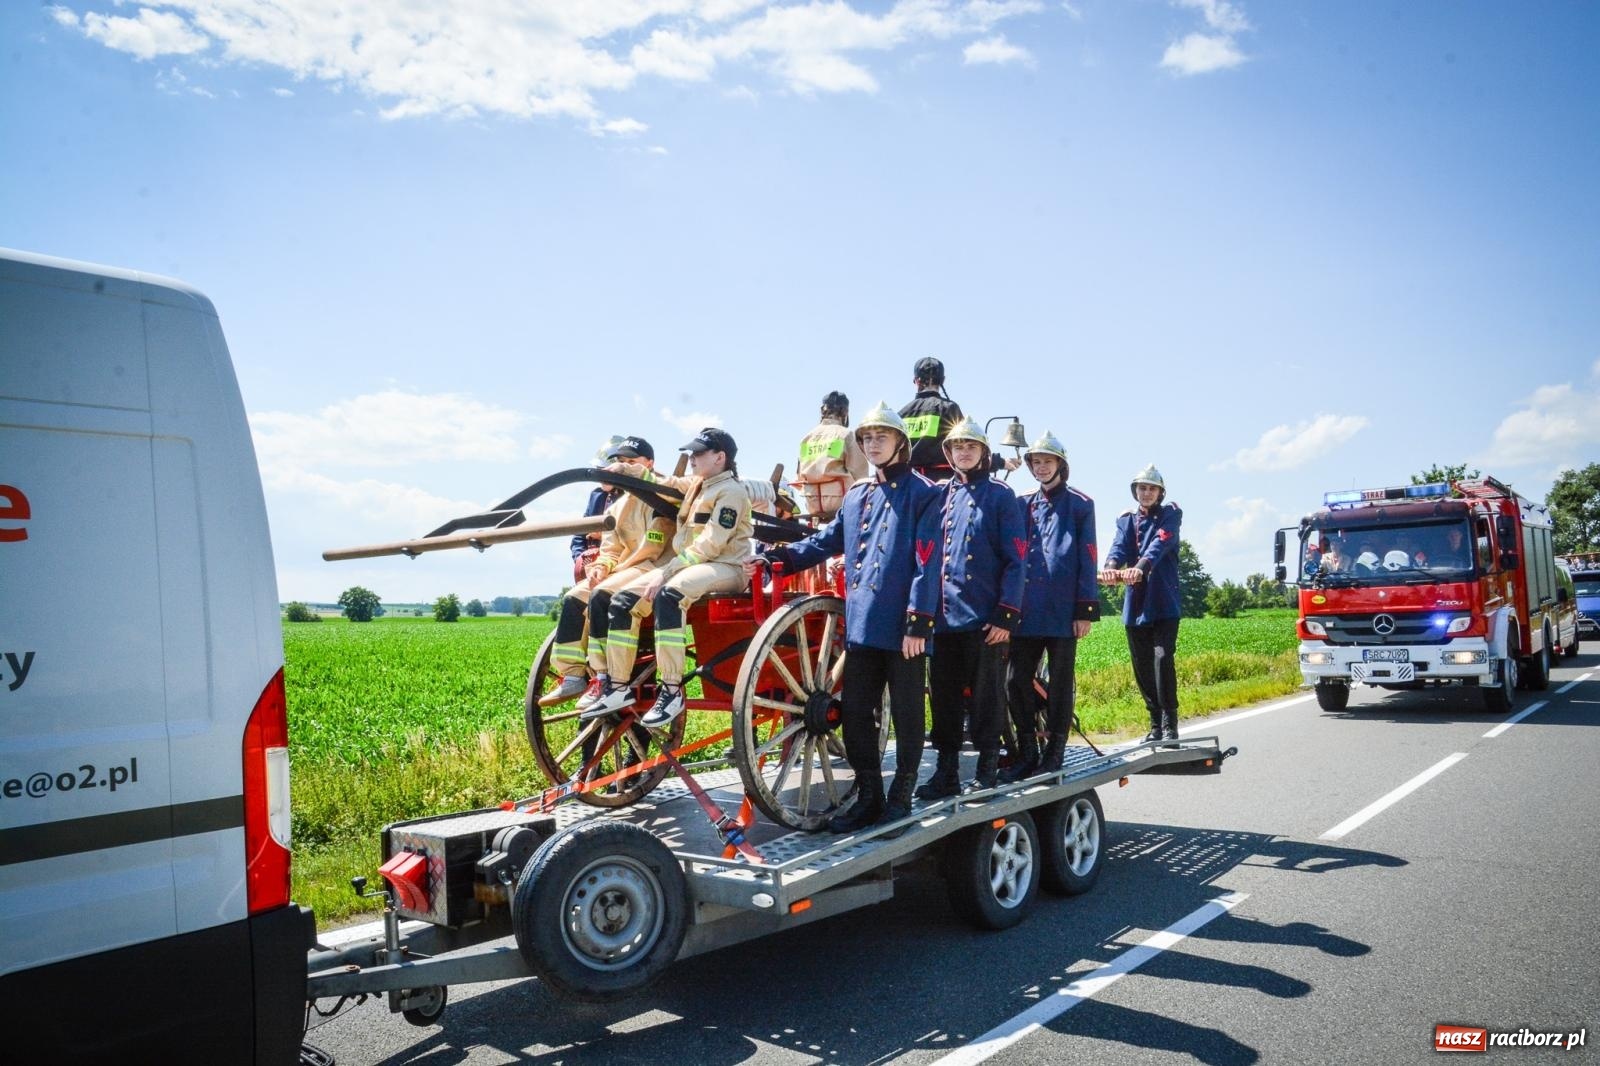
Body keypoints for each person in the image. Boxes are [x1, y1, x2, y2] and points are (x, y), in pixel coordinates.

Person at [750, 402, 941, 833]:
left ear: (900, 444)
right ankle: (870, 796)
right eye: (867, 438)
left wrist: (919, 622)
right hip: (862, 624)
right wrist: (778, 561)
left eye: (882, 437)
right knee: (855, 713)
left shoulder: (925, 493)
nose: (873, 444)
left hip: (904, 626)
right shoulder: (856, 496)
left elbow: (928, 562)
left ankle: (901, 795)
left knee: (909, 714)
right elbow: (823, 542)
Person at [588, 428, 755, 727]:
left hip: (726, 566)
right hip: (693, 566)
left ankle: (673, 689)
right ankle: (617, 685)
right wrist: (625, 468)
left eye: (698, 453)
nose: (691, 458)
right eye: (691, 453)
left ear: (720, 457)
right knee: (623, 599)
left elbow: (711, 545)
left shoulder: (731, 492)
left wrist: (665, 573)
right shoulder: (696, 486)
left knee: (670, 594)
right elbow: (663, 482)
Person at [914, 419, 1026, 798]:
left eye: (970, 447)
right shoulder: (941, 495)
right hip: (943, 618)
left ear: (983, 453)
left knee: (986, 698)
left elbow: (1016, 560)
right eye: (957, 447)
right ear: (949, 453)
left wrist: (1005, 614)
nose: (963, 453)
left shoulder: (1000, 496)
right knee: (943, 698)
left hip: (984, 618)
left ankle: (987, 768)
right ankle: (946, 772)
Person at [545, 438, 676, 712]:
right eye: (621, 463)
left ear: (649, 463)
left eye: (631, 462)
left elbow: (682, 500)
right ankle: (571, 674)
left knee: (601, 595)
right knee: (573, 598)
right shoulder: (617, 507)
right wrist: (601, 566)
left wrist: (637, 475)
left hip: (656, 569)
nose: (624, 468)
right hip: (625, 570)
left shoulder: (666, 490)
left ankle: (605, 677)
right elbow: (611, 549)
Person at [1000, 431, 1098, 783]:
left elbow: (1088, 558)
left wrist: (1084, 610)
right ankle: (1028, 751)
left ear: (1061, 464)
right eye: (1035, 462)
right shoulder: (1022, 503)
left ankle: (1054, 753)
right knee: (1014, 682)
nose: (1041, 468)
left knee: (1058, 685)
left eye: (1047, 461)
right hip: (1026, 609)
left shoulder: (1080, 504)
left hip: (1062, 610)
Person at [1100, 464, 1183, 747]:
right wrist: (1111, 567)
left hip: (1162, 601)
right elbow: (1118, 547)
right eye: (1141, 488)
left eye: (1151, 488)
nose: (1146, 493)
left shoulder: (1171, 514)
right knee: (1142, 665)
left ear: (1160, 492)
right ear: (1135, 491)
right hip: (1136, 604)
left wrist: (1141, 567)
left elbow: (1159, 545)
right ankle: (1154, 723)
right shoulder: (1126, 521)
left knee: (1162, 658)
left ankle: (1170, 724)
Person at [897, 357, 1017, 481]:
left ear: (916, 381)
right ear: (943, 380)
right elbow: (967, 445)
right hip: (940, 486)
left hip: (905, 485)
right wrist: (1000, 462)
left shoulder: (901, 414)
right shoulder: (949, 409)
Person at [796, 390, 868, 521]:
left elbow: (800, 477)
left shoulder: (806, 439)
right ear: (845, 412)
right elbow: (861, 476)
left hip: (812, 503)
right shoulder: (845, 435)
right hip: (841, 501)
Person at [570, 435, 626, 580]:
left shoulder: (631, 499)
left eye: (605, 470)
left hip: (621, 567)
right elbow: (579, 534)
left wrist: (603, 535)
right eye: (598, 470)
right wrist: (580, 558)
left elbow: (637, 537)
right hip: (592, 568)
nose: (600, 476)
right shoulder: (596, 496)